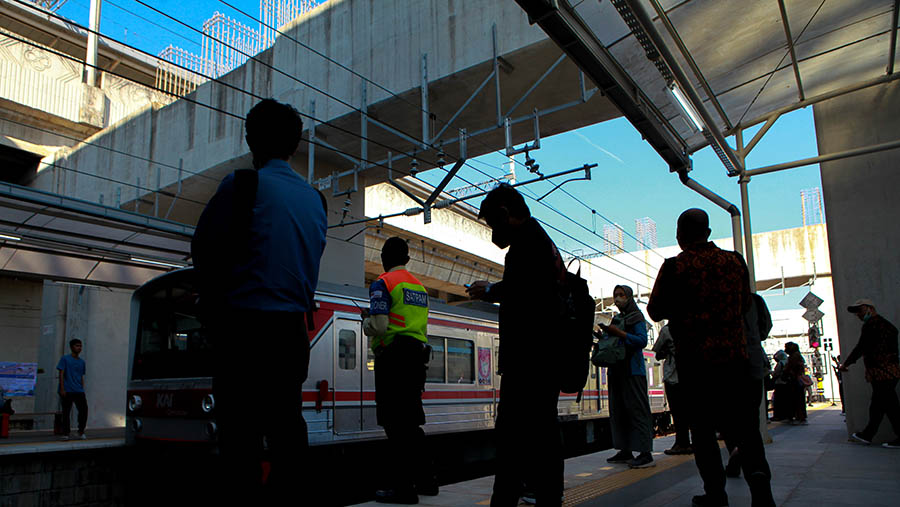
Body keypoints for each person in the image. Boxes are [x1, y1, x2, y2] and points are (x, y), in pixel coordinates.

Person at [191, 98, 327, 502]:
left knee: (240, 440)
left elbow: (204, 251)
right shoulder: (315, 200)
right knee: (287, 430)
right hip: (291, 334)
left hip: (244, 332)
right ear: (294, 144)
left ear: (250, 139)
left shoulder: (243, 185)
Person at [647, 208, 774, 507]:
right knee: (747, 432)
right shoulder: (734, 262)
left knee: (703, 434)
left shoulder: (675, 267)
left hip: (697, 365)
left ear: (680, 236)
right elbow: (745, 304)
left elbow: (655, 311)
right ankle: (762, 494)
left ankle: (716, 495)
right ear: (708, 232)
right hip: (735, 361)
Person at [466, 183, 564, 507]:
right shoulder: (543, 243)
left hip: (529, 359)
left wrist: (492, 290)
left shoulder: (527, 245)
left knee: (510, 437)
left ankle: (506, 501)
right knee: (542, 434)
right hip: (543, 357)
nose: (493, 231)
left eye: (493, 223)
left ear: (506, 214)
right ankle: (547, 496)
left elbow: (526, 293)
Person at [363, 236, 437, 504]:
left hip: (393, 359)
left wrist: (366, 324)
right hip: (416, 359)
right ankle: (428, 482)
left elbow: (380, 327)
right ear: (406, 260)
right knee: (411, 424)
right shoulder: (420, 288)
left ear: (384, 258)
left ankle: (404, 490)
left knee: (395, 425)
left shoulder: (382, 283)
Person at [603, 285, 654, 468]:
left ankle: (646, 453)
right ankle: (625, 450)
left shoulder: (637, 317)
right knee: (619, 410)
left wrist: (621, 334)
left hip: (633, 370)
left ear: (629, 297)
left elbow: (641, 341)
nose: (617, 299)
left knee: (637, 411)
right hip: (617, 370)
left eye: (621, 295)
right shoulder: (616, 318)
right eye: (615, 295)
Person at [838, 298, 900, 448]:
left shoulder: (872, 325)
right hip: (890, 371)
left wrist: (846, 363)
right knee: (880, 405)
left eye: (860, 310)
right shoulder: (886, 325)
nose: (858, 315)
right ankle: (868, 434)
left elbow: (861, 347)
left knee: (889, 406)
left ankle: (869, 434)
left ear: (869, 308)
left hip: (881, 371)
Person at [724, 293, 773, 478]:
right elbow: (766, 327)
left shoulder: (711, 293)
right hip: (752, 362)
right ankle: (759, 475)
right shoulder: (754, 299)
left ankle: (735, 452)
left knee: (727, 418)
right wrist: (752, 338)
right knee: (750, 422)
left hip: (723, 365)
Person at [653, 324, 692, 455]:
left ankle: (682, 443)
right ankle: (691, 443)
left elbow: (656, 349)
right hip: (692, 375)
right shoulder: (694, 324)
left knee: (678, 411)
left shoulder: (667, 329)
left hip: (673, 376)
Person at [56, 338, 87, 441]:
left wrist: (82, 388)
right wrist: (62, 388)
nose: (79, 348)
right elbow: (61, 374)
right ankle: (66, 433)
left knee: (84, 410)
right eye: (77, 346)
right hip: (67, 390)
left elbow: (81, 376)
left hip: (79, 390)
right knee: (66, 412)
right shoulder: (65, 359)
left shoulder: (82, 362)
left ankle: (81, 431)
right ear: (71, 347)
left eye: (80, 346)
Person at [784, 341, 807, 424]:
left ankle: (798, 417)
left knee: (795, 399)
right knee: (800, 399)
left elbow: (789, 368)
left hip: (794, 380)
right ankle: (801, 417)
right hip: (798, 381)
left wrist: (786, 373)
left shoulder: (793, 357)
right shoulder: (798, 356)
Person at [771, 350, 789, 421]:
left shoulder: (780, 363)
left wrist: (771, 373)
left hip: (779, 383)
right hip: (787, 383)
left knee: (778, 400)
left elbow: (776, 374)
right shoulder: (787, 362)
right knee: (785, 400)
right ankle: (786, 415)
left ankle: (778, 415)